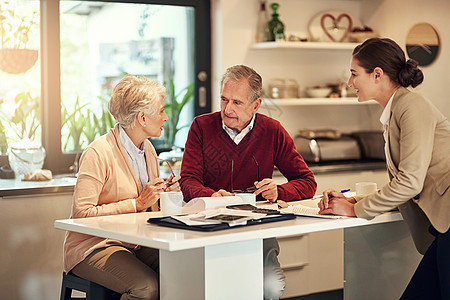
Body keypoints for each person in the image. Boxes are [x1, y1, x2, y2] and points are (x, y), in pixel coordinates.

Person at [318, 38, 450, 300]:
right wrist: (354, 200)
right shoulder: (395, 111)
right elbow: (405, 184)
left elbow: (410, 183)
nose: (349, 83)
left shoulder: (411, 106)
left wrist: (354, 209)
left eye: (354, 74)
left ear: (377, 74)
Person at [180, 64, 317, 299]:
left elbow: (306, 181)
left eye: (237, 102)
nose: (227, 109)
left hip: (256, 228)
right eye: (224, 100)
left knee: (271, 288)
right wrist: (211, 195)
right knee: (214, 290)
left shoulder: (273, 131)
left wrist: (279, 191)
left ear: (256, 104)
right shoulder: (201, 127)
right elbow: (188, 180)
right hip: (209, 228)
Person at [63, 75, 181, 300]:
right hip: (93, 247)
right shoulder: (97, 153)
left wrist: (165, 195)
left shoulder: (148, 151)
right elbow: (82, 214)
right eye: (161, 111)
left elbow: (148, 209)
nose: (165, 117)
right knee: (147, 287)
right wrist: (137, 203)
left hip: (136, 242)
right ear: (142, 118)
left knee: (185, 269)